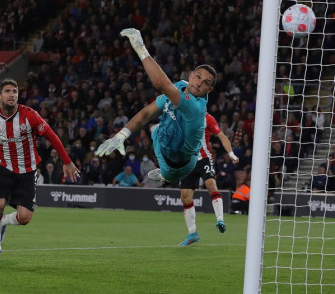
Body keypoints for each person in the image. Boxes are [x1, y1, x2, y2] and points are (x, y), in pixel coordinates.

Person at [96, 28, 216, 186]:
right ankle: (160, 135)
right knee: (156, 129)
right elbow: (146, 113)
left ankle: (164, 175)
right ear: (190, 76)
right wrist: (120, 136)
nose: (199, 83)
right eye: (198, 77)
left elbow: (160, 83)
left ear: (210, 90)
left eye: (206, 83)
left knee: (158, 134)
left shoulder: (195, 106)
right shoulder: (180, 86)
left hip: (179, 167)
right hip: (165, 143)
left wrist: (140, 48)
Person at [0, 78, 79, 259]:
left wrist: (67, 161)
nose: (12, 95)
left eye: (15, 91)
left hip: (27, 171)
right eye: (7, 91)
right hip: (3, 167)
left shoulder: (30, 115)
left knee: (24, 218)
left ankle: (4, 222)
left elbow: (52, 137)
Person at [177, 113, 240, 246]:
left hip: (204, 158)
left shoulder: (207, 118)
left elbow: (222, 136)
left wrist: (231, 154)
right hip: (188, 162)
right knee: (185, 197)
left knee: (210, 184)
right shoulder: (181, 115)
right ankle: (192, 233)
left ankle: (220, 219)